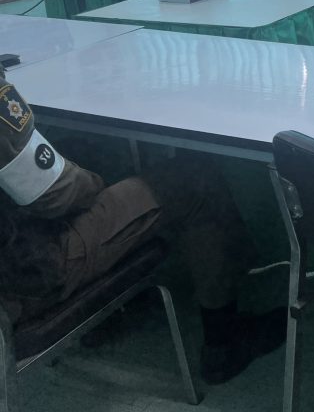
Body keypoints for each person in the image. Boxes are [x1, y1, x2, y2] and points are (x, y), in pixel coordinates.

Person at [0, 67, 285, 385]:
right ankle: (224, 342)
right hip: (28, 273)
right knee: (196, 181)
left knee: (81, 152)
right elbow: (58, 195)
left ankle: (116, 311)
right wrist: (95, 184)